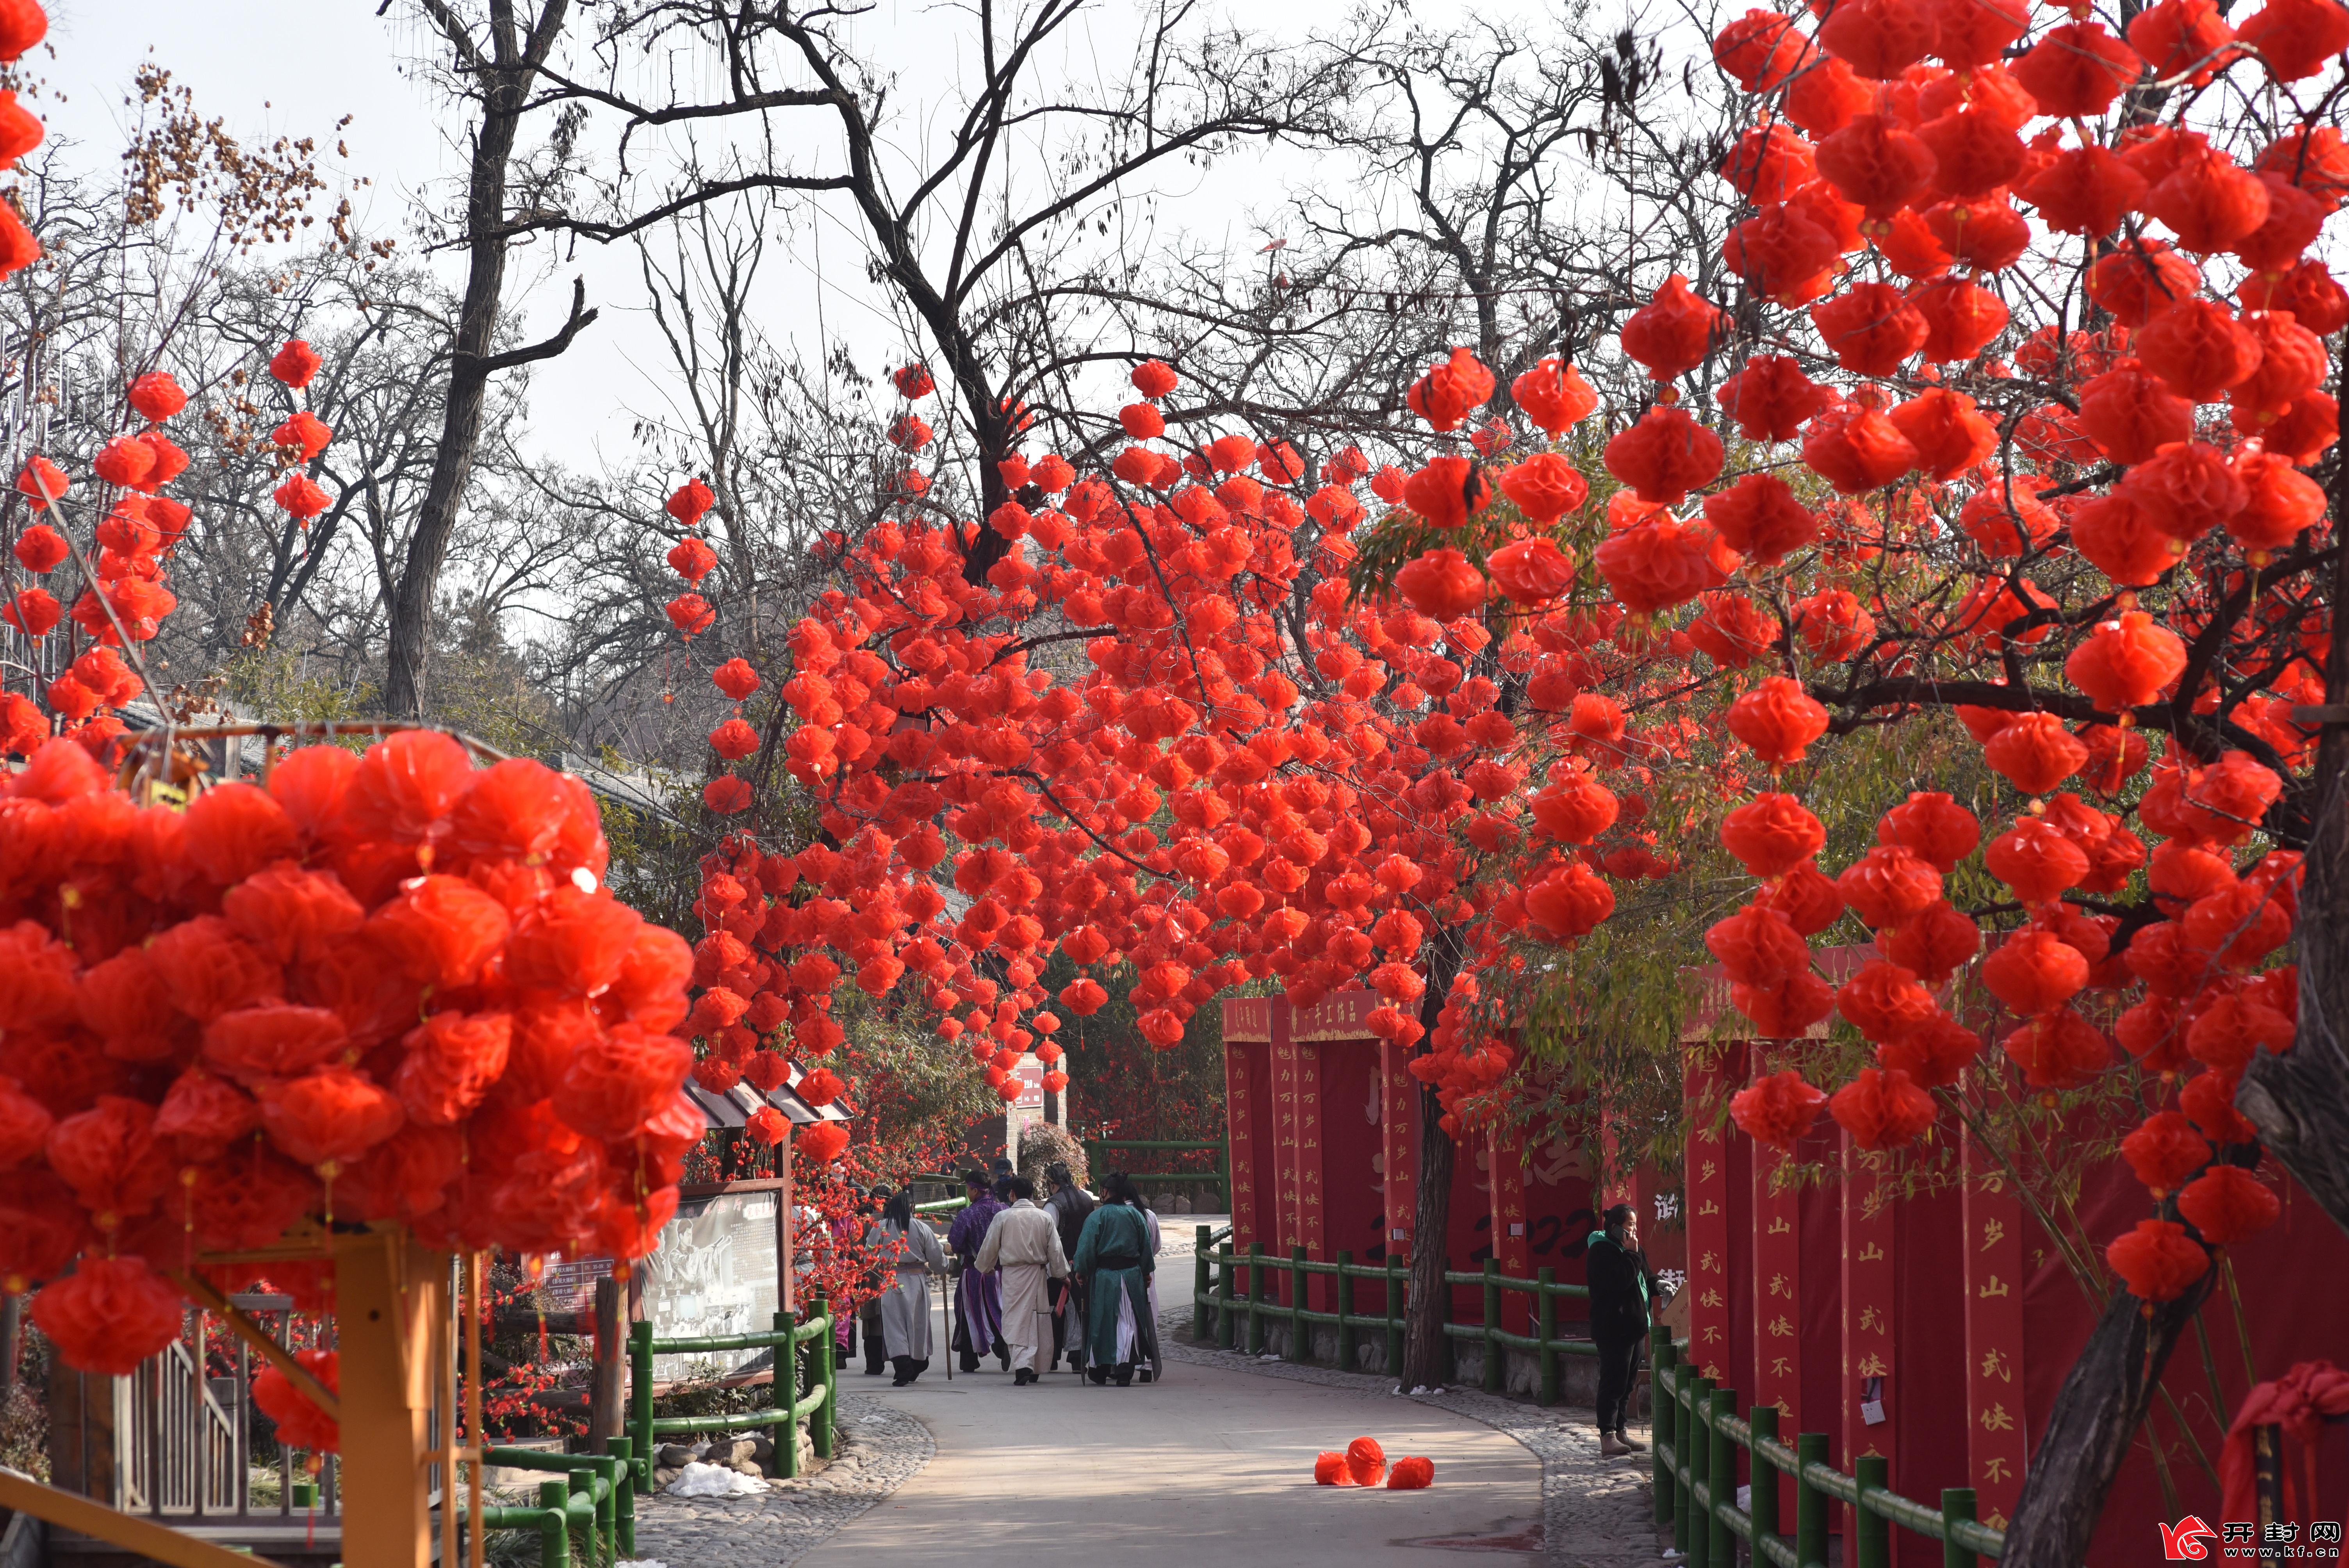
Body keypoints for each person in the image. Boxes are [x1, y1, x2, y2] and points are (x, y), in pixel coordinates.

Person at [973, 1175, 1068, 1386]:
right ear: (1032, 1194)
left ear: (1012, 1194)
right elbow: (1055, 1250)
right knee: (1036, 1319)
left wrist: (985, 1268)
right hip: (1037, 1274)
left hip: (1013, 1275)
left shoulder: (1003, 1217)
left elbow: (989, 1247)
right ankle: (1033, 1365)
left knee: (1016, 1319)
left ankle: (1024, 1365)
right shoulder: (1044, 1218)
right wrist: (1061, 1274)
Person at [1586, 1202, 1658, 1456]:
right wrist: (1632, 1254)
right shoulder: (1601, 1252)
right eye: (1630, 1225)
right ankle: (1607, 1435)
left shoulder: (1633, 1250)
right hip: (1613, 1328)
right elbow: (1620, 1281)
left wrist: (1660, 1285)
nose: (1635, 1231)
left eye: (1636, 1225)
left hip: (1636, 1327)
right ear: (1616, 1228)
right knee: (1613, 1382)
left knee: (1628, 1384)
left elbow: (1645, 1276)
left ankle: (1621, 1431)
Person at [1073, 1172, 1157, 1386]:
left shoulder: (1097, 1217)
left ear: (1106, 1192)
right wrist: (1146, 1272)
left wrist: (1081, 1270)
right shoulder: (1136, 1215)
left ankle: (1101, 1368)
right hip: (1131, 1276)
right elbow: (1145, 1247)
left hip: (1104, 1278)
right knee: (1127, 1323)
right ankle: (1124, 1369)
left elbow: (1085, 1249)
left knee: (1102, 1321)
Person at [864, 1190, 946, 1386]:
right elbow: (937, 1258)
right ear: (912, 1207)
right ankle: (917, 1363)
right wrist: (944, 1267)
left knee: (894, 1326)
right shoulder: (922, 1228)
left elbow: (869, 1254)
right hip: (917, 1280)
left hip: (891, 1279)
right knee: (918, 1324)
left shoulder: (882, 1227)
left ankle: (902, 1367)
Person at [947, 1169, 1009, 1372]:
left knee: (968, 1314)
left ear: (974, 1190)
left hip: (974, 1272)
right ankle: (1004, 1347)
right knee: (997, 1311)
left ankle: (969, 1360)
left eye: (967, 1189)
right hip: (1000, 1272)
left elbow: (955, 1242)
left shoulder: (967, 1214)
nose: (967, 1193)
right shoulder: (1004, 1209)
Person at [1044, 1162, 1095, 1374]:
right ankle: (1078, 1358)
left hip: (1060, 1265)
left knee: (1054, 1311)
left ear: (1051, 1183)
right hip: (1084, 1265)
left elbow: (1048, 1238)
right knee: (1080, 1311)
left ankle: (1052, 1357)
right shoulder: (1087, 1199)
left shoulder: (1053, 1205)